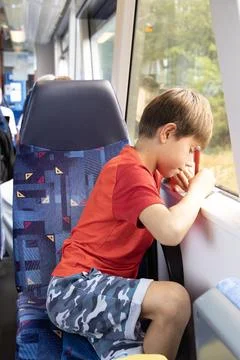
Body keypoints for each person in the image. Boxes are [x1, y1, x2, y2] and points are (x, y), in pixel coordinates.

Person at [46, 88, 215, 360]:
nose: (189, 161)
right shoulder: (129, 171)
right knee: (175, 302)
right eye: (190, 150)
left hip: (102, 287)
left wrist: (172, 175)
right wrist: (199, 188)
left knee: (139, 353)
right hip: (74, 287)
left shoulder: (148, 172)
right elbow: (170, 232)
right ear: (167, 133)